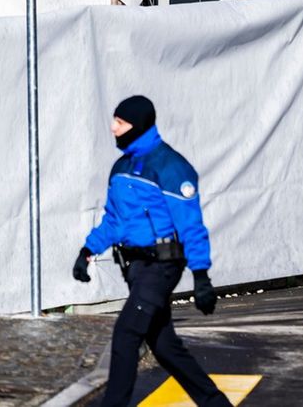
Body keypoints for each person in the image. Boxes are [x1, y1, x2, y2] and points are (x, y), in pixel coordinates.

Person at [72, 95, 228, 407]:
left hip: (162, 266)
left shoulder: (171, 167)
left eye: (121, 122)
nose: (113, 128)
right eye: (114, 121)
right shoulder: (121, 167)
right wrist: (88, 250)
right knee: (165, 345)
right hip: (134, 267)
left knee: (126, 334)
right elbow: (114, 220)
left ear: (139, 125)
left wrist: (201, 276)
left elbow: (191, 226)